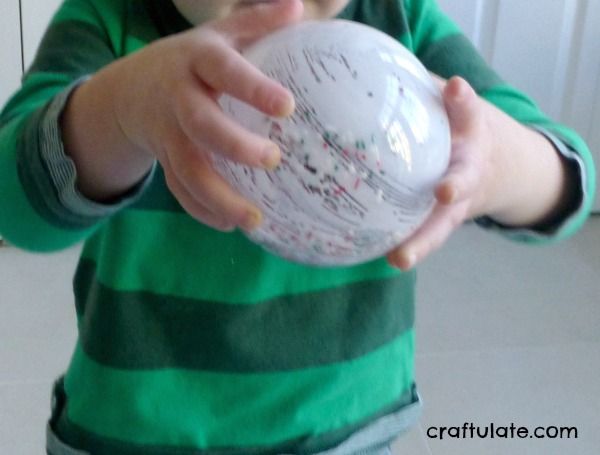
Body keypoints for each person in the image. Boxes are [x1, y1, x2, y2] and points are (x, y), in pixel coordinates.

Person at [0, 0, 595, 454]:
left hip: (347, 432)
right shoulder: (110, 21)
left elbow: (566, 174)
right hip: (130, 435)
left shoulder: (398, 23)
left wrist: (497, 159)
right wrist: (120, 110)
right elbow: (14, 205)